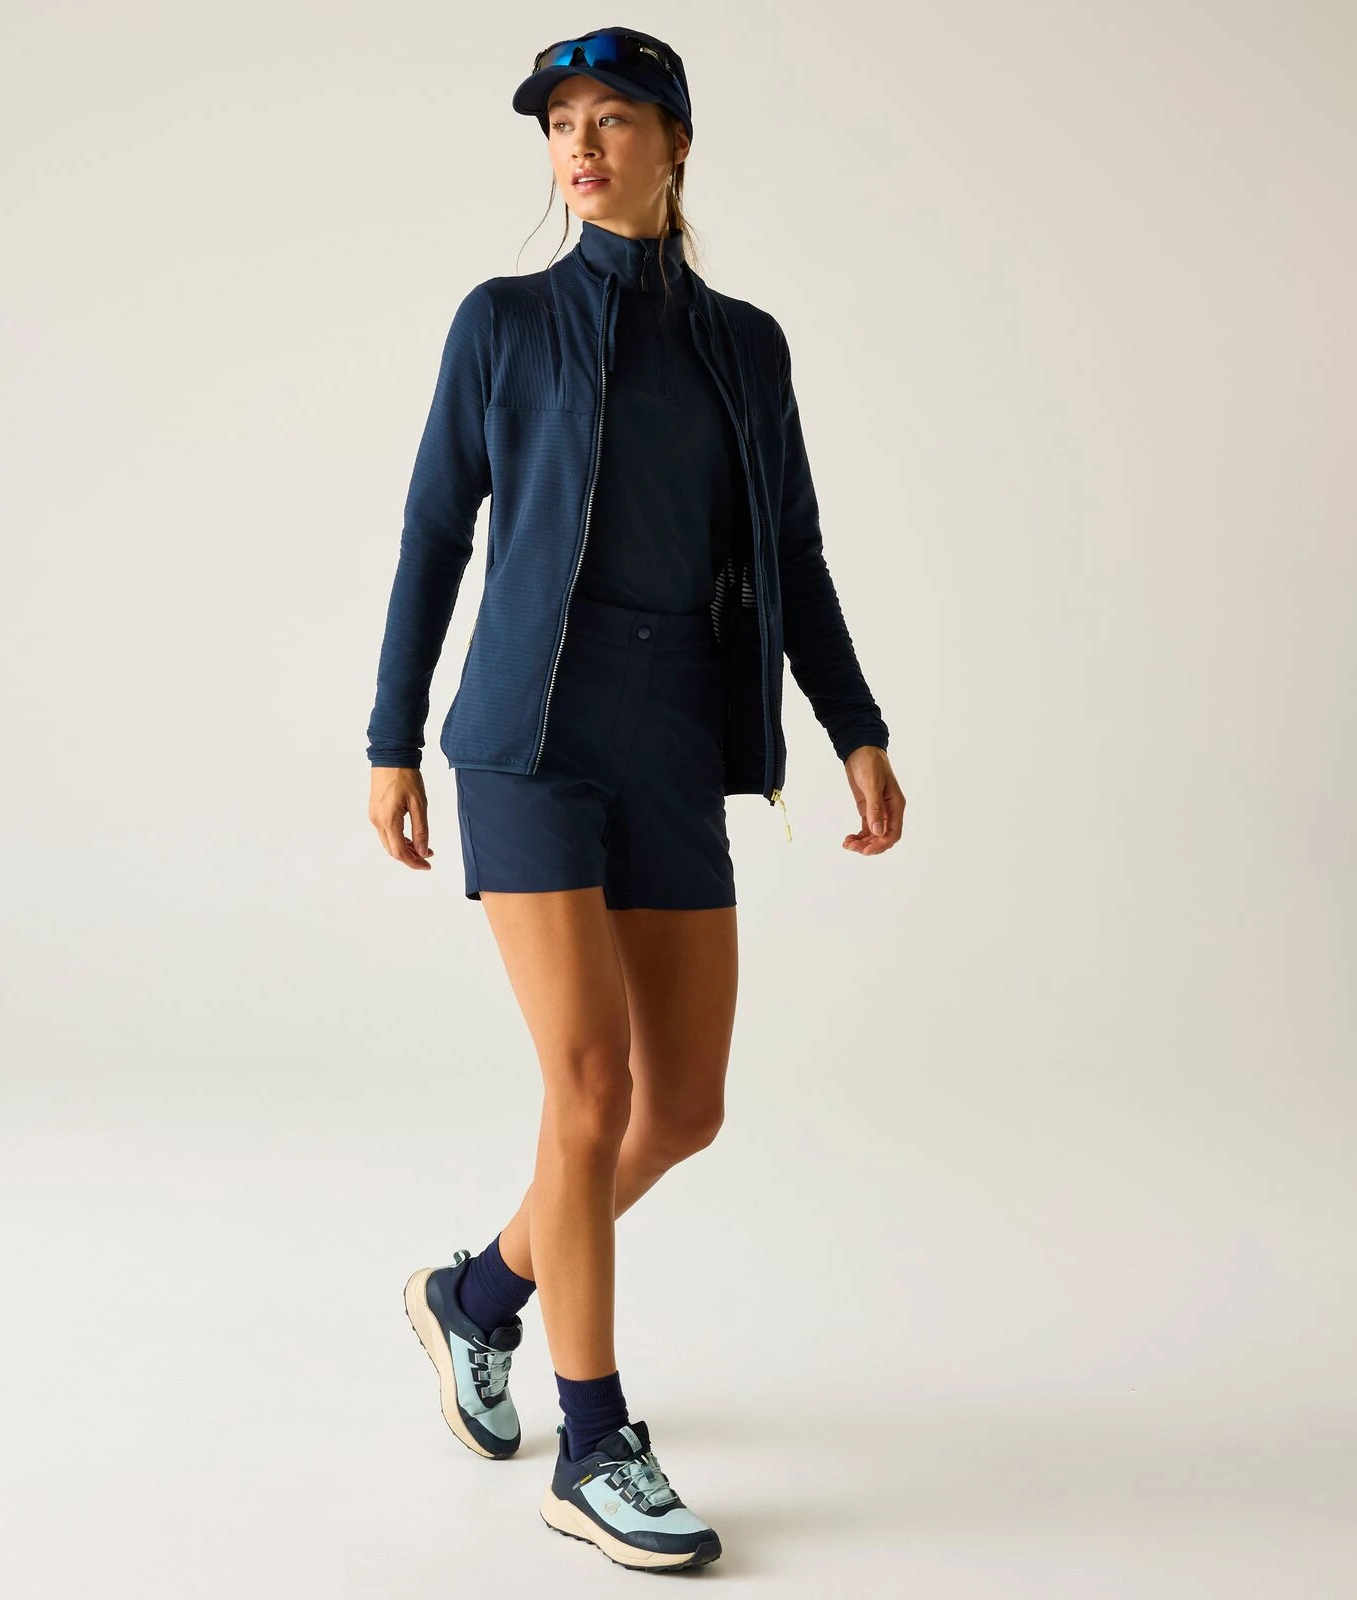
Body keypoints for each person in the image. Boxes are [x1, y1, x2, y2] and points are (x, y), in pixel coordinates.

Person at [368, 27, 906, 1571]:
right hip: (526, 736)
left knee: (681, 1109)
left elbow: (791, 552)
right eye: (560, 125)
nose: (582, 148)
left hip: (674, 735)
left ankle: (476, 1296)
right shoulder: (504, 322)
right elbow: (433, 533)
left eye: (613, 120)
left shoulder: (746, 347)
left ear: (677, 143)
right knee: (589, 1090)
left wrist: (854, 725)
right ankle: (593, 1442)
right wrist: (391, 738)